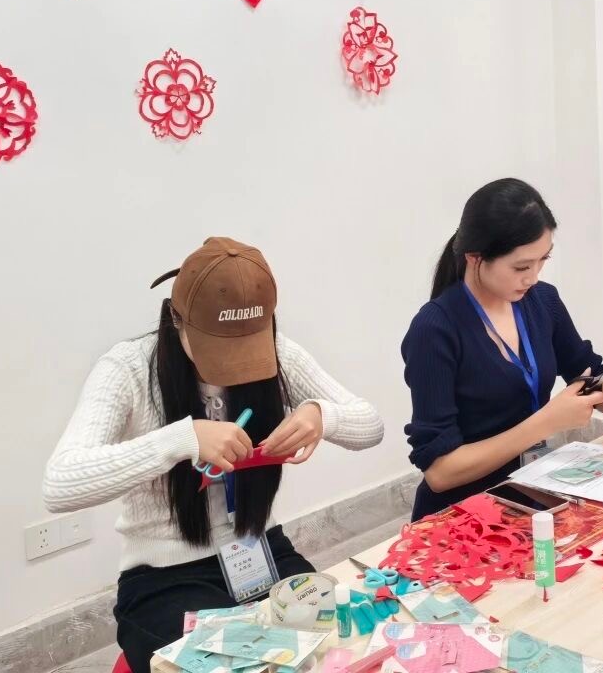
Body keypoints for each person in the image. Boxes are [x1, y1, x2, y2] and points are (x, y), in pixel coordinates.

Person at [43, 238, 384, 673]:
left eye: (246, 348)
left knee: (336, 646)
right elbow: (60, 483)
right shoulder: (128, 369)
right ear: (176, 318)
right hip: (166, 576)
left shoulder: (279, 352)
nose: (232, 366)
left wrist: (323, 416)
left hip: (259, 548)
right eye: (218, 347)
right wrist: (181, 440)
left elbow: (371, 425)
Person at [401, 178, 603, 521]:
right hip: (463, 515)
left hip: (532, 495)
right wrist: (545, 423)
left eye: (543, 260)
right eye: (521, 267)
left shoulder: (543, 301)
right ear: (474, 257)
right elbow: (440, 473)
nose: (533, 277)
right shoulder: (435, 329)